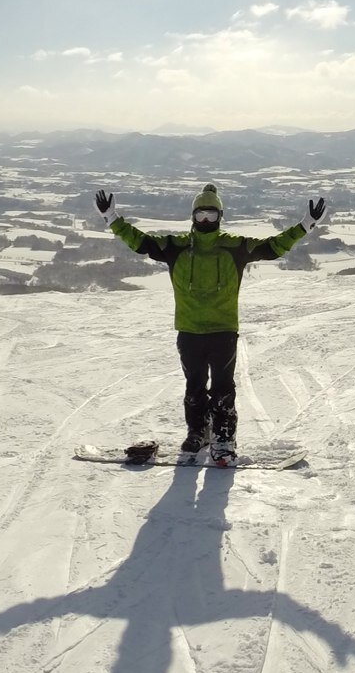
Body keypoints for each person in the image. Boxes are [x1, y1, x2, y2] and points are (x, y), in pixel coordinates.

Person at [94, 182, 325, 464]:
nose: (205, 221)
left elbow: (273, 247)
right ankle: (198, 432)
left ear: (220, 217)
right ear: (193, 217)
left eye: (211, 216)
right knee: (194, 387)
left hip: (223, 330)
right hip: (189, 330)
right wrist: (112, 220)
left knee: (223, 388)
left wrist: (305, 225)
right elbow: (141, 242)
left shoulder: (235, 247)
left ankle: (224, 437)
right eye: (201, 215)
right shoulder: (176, 247)